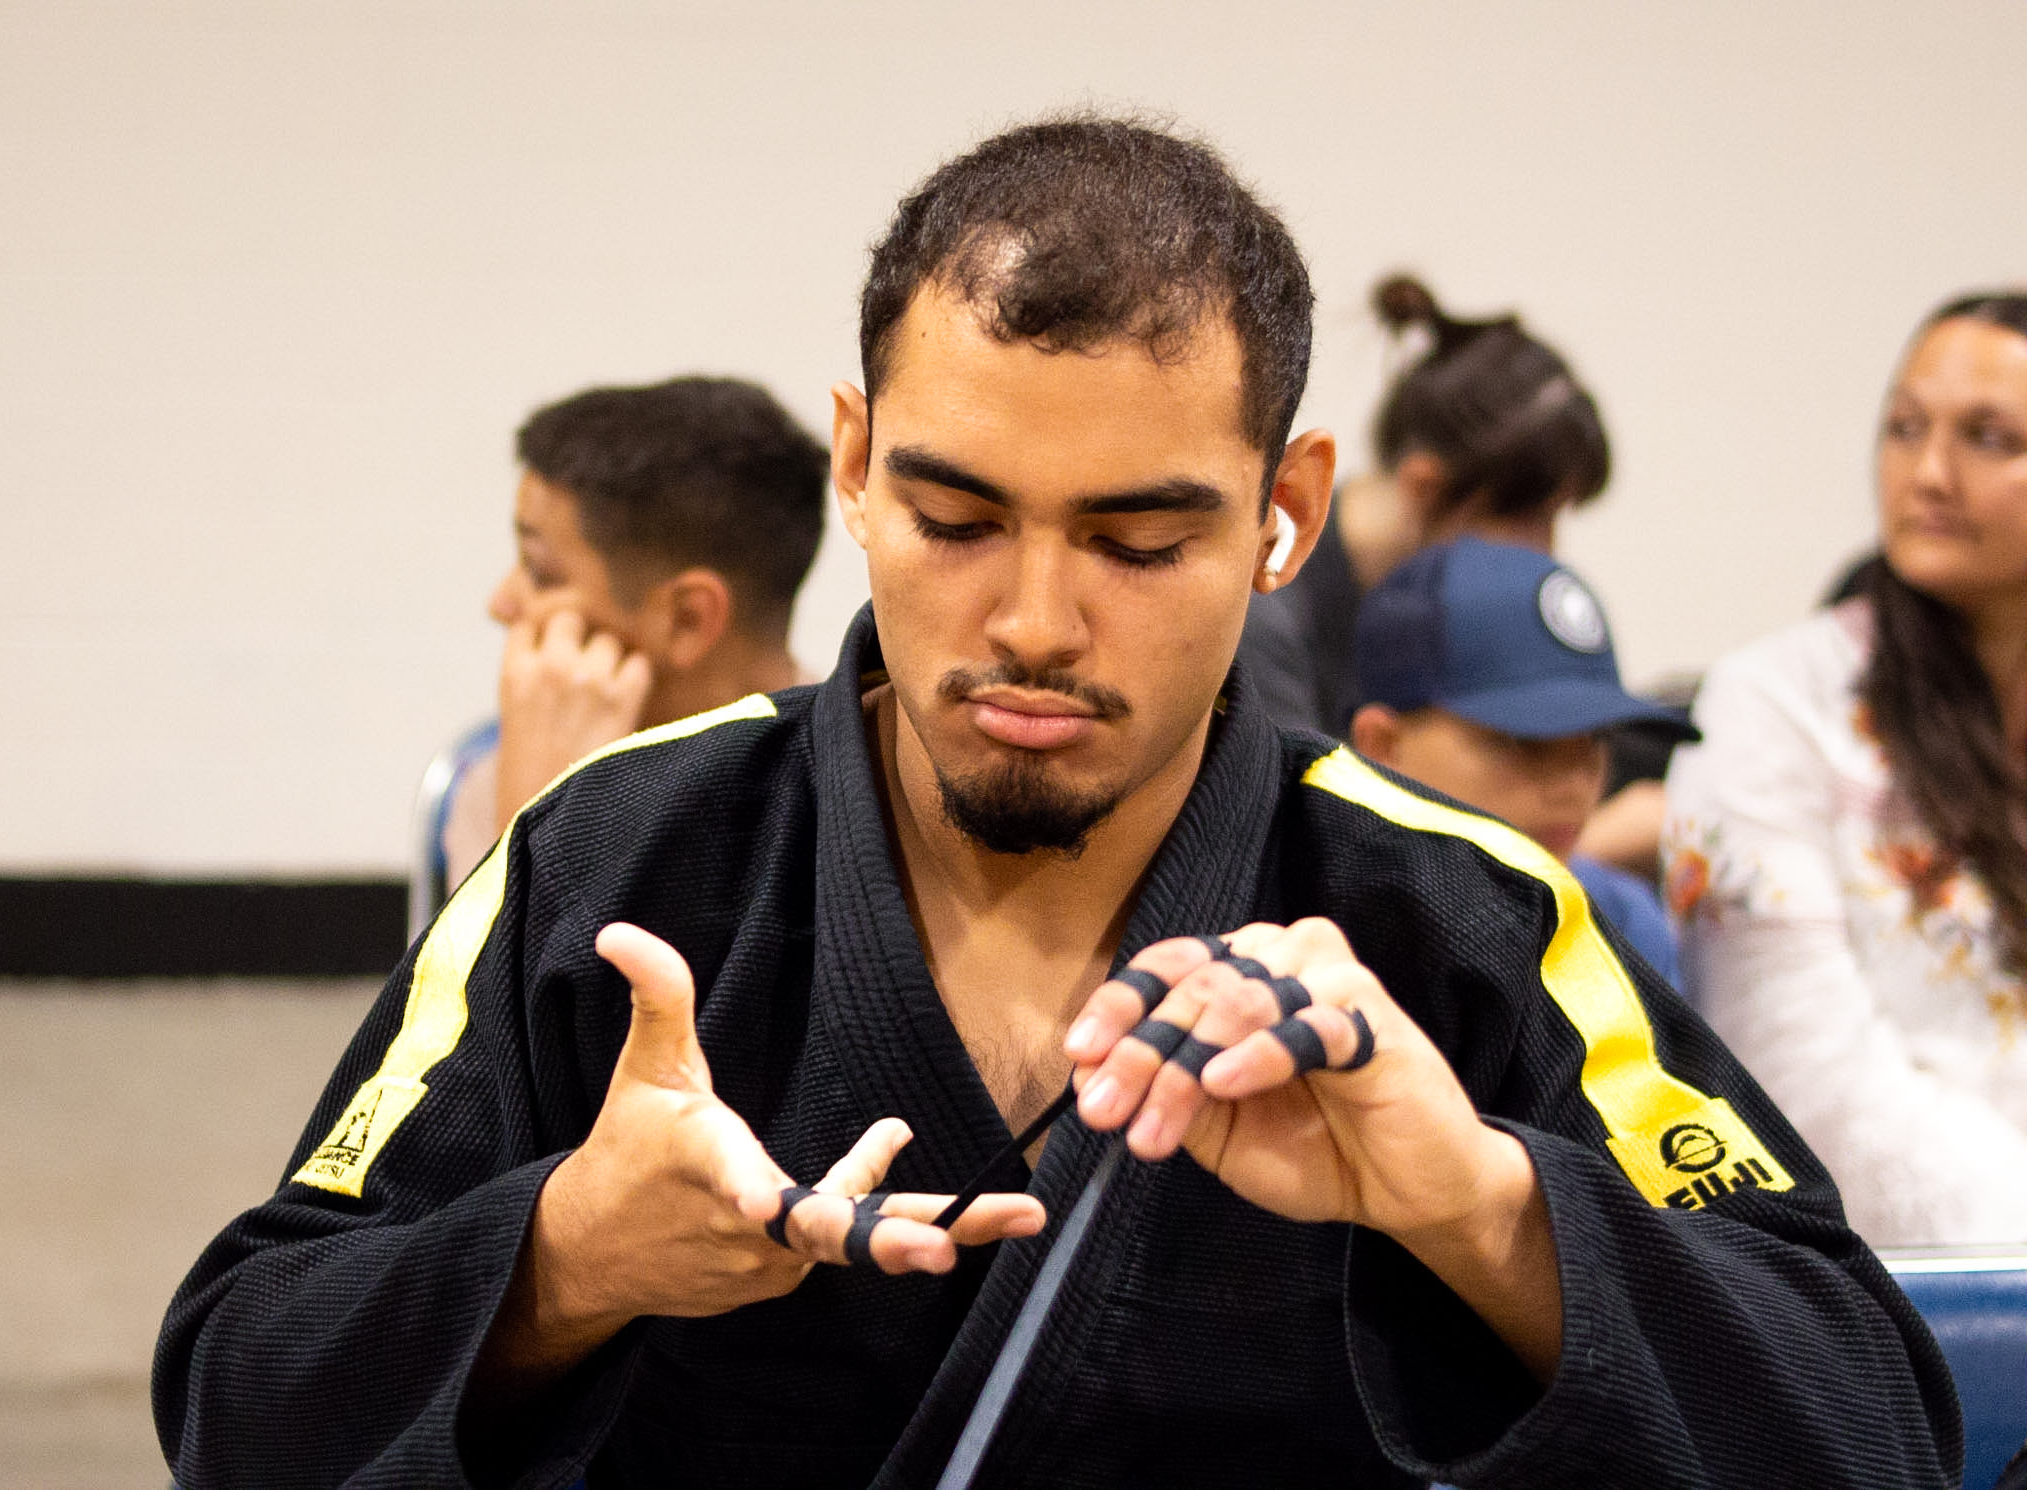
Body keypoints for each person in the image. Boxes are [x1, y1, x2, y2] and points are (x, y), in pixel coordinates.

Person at [155, 117, 1956, 1490]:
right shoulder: (617, 859)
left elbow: (1870, 1418)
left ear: (1285, 513)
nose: (1028, 621)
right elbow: (240, 1388)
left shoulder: (1451, 922)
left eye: (1139, 539)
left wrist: (1481, 1210)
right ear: (853, 465)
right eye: (953, 520)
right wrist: (564, 1258)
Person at [1665, 291, 2027, 1247]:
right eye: (1905, 428)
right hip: (1877, 1298)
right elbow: (1803, 1087)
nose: (1930, 472)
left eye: (1989, 438)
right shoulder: (1771, 703)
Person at [1239, 275, 1670, 879]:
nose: (1548, 550)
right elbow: (1294, 845)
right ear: (1424, 487)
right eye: (1528, 517)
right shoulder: (1262, 605)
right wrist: (1570, 850)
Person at [443, 377, 827, 891]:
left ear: (687, 618)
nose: (501, 604)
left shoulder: (852, 804)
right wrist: (530, 809)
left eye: (541, 571)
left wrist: (541, 821)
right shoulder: (505, 775)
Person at [1348, 538, 1695, 986]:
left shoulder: (1622, 920)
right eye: (1521, 741)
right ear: (1383, 747)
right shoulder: (1299, 919)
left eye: (1595, 739)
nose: (1573, 786)